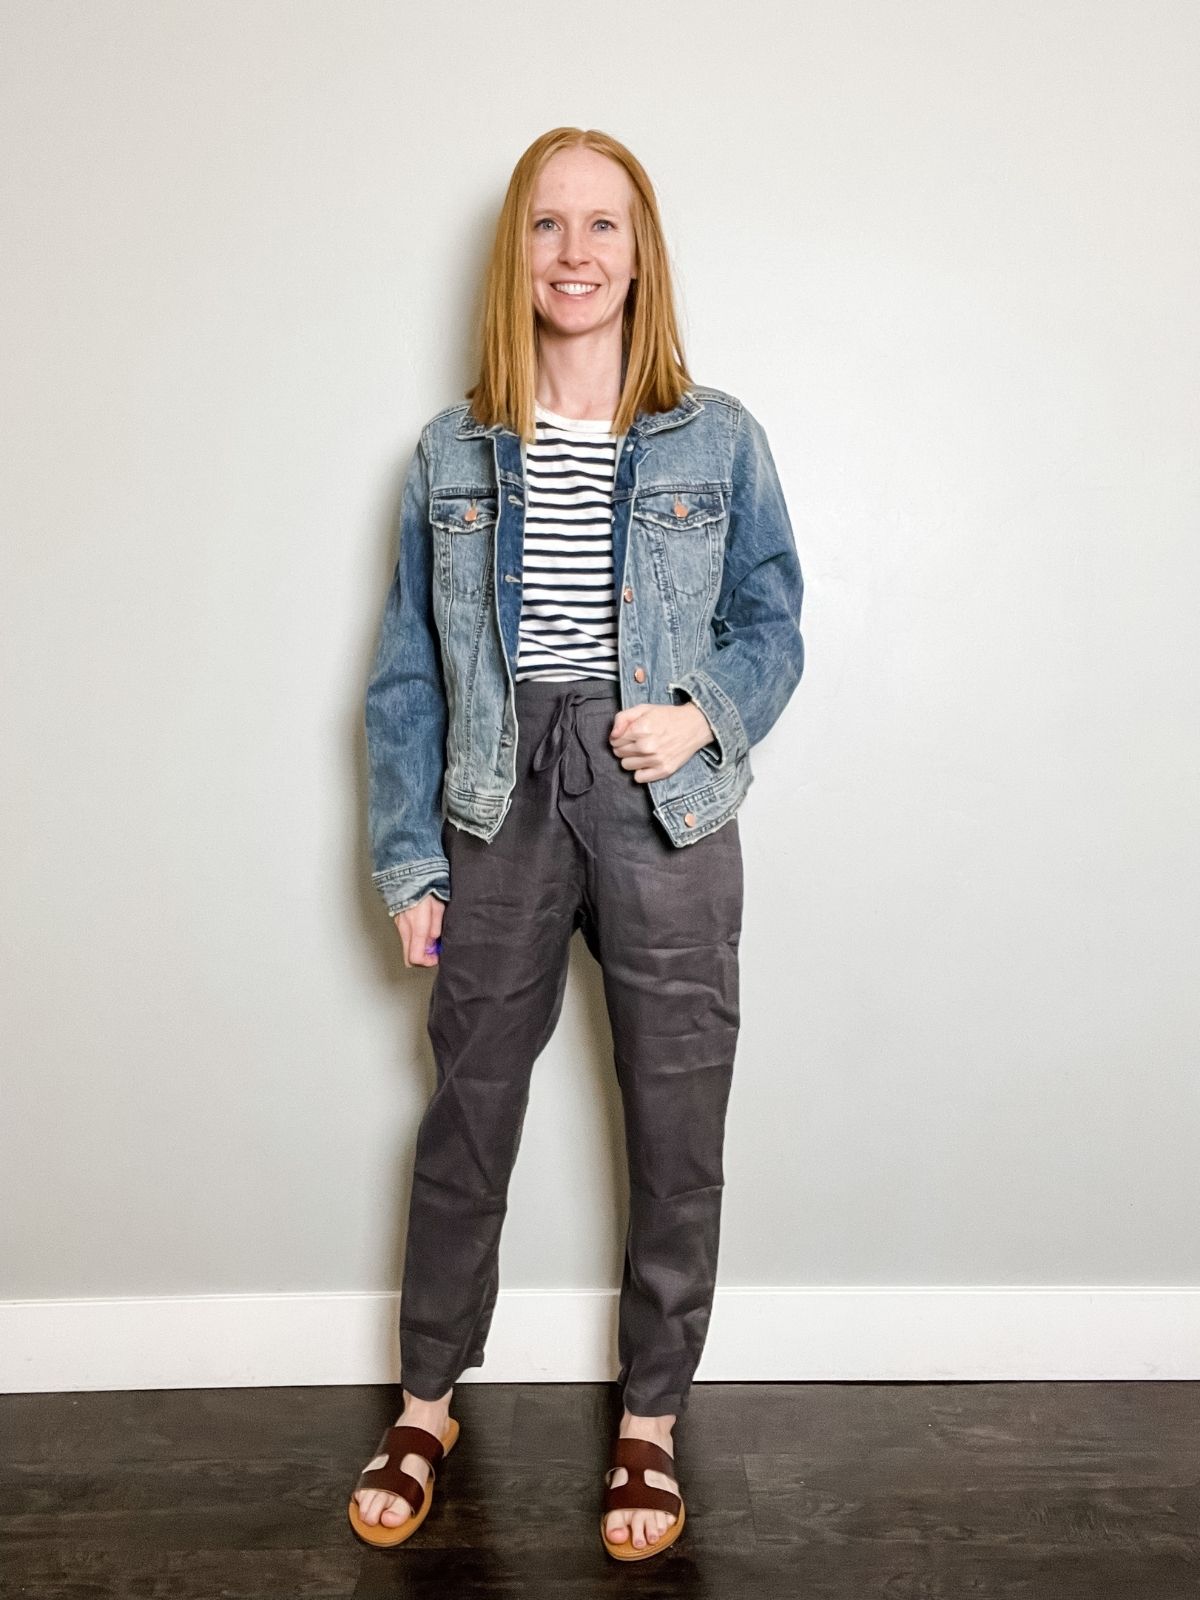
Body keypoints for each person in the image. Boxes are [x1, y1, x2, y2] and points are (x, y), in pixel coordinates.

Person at [349, 126, 805, 1561]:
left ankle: (650, 1427)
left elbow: (774, 619)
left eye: (605, 226)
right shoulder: (450, 451)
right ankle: (427, 1405)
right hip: (501, 795)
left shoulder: (715, 436)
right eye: (550, 226)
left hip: (660, 795)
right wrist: (412, 861)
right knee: (466, 1118)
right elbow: (407, 674)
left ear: (641, 252)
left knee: (678, 1122)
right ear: (519, 253)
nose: (577, 254)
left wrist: (699, 716)